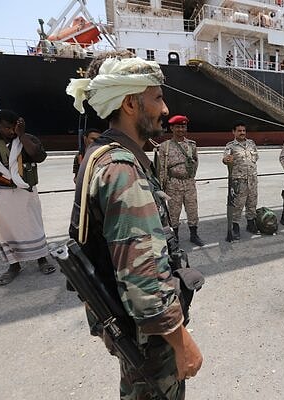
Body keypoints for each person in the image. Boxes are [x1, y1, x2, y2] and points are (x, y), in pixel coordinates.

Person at [66, 54, 203, 399]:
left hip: (129, 326)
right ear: (130, 103)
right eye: (156, 97)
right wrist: (180, 340)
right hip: (148, 338)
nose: (164, 107)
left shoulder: (99, 154)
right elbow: (144, 278)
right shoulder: (123, 171)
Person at [0, 110, 54, 286]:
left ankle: (41, 259)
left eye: (14, 127)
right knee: (5, 231)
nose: (12, 131)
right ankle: (14, 265)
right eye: (7, 128)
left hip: (25, 192)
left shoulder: (25, 138)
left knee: (33, 226)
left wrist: (21, 136)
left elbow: (39, 156)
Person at [155, 115, 205, 247]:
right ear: (172, 128)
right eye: (178, 127)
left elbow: (195, 162)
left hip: (189, 183)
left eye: (183, 126)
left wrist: (190, 176)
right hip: (173, 184)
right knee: (173, 212)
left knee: (192, 210)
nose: (181, 129)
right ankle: (175, 237)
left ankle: (194, 235)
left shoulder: (191, 145)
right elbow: (161, 168)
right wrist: (161, 187)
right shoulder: (164, 147)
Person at [222, 121, 259, 238]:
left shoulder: (252, 143)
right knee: (238, 205)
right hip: (239, 181)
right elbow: (225, 159)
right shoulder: (230, 146)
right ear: (234, 132)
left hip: (252, 179)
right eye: (239, 131)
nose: (242, 133)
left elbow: (255, 158)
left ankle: (251, 223)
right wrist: (226, 160)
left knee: (252, 203)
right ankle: (235, 226)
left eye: (243, 130)